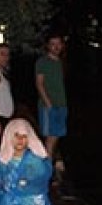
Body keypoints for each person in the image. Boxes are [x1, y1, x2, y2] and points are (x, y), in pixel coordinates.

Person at [34, 33, 68, 179]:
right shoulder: (43, 62)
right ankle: (47, 170)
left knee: (57, 135)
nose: (56, 47)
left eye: (58, 44)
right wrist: (48, 104)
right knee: (50, 138)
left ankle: (52, 164)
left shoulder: (60, 62)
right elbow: (39, 83)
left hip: (62, 105)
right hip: (49, 106)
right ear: (48, 45)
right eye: (53, 44)